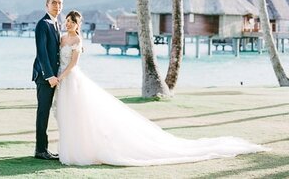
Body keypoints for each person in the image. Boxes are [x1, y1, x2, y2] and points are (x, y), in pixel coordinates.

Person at [55, 10, 266, 166]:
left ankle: (79, 150)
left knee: (80, 112)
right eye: (67, 21)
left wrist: (61, 76)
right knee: (69, 114)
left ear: (78, 24)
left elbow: (73, 63)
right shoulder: (63, 37)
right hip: (63, 80)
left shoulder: (77, 39)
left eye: (72, 22)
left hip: (71, 78)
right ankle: (71, 148)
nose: (68, 24)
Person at [32, 0, 62, 160]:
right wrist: (49, 75)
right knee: (43, 112)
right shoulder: (42, 24)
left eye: (59, 3)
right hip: (45, 78)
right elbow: (41, 52)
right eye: (54, 2)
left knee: (48, 112)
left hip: (55, 77)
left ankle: (44, 148)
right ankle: (40, 150)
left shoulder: (56, 23)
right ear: (47, 4)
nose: (57, 6)